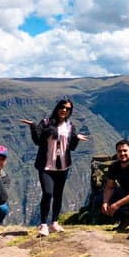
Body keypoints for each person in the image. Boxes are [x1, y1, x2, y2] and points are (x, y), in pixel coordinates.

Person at [20, 99, 88, 237]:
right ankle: (43, 225)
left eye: (68, 109)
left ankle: (54, 223)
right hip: (46, 165)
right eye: (62, 107)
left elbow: (72, 148)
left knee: (58, 195)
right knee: (48, 193)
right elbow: (37, 140)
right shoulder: (45, 123)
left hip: (63, 166)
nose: (64, 110)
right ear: (57, 108)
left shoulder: (70, 126)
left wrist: (76, 138)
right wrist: (33, 126)